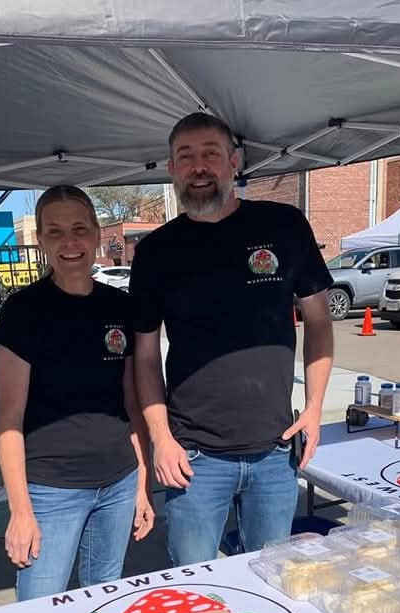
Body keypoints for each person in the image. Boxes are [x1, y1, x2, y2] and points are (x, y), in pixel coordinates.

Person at [130, 112, 333, 565]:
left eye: (210, 154)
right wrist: (160, 437)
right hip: (193, 459)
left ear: (233, 162)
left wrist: (316, 407)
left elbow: (319, 320)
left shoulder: (284, 226)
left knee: (272, 583)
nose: (199, 167)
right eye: (186, 157)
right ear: (171, 169)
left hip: (275, 453)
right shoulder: (155, 252)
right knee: (196, 588)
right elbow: (144, 356)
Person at [0, 185, 153, 600]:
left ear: (98, 234)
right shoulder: (23, 312)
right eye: (56, 231)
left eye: (80, 228)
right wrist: (20, 510)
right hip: (51, 490)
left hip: (118, 483)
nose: (70, 242)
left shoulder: (120, 306)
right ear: (40, 240)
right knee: (38, 608)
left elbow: (131, 404)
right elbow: (8, 420)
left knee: (103, 603)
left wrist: (141, 484)